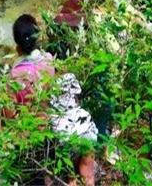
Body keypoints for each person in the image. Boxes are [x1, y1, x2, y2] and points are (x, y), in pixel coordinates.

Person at [10, 15, 99, 186]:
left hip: (46, 133)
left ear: (17, 48)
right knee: (86, 172)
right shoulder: (49, 61)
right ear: (38, 39)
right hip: (83, 128)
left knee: (66, 175)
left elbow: (9, 113)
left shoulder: (15, 76)